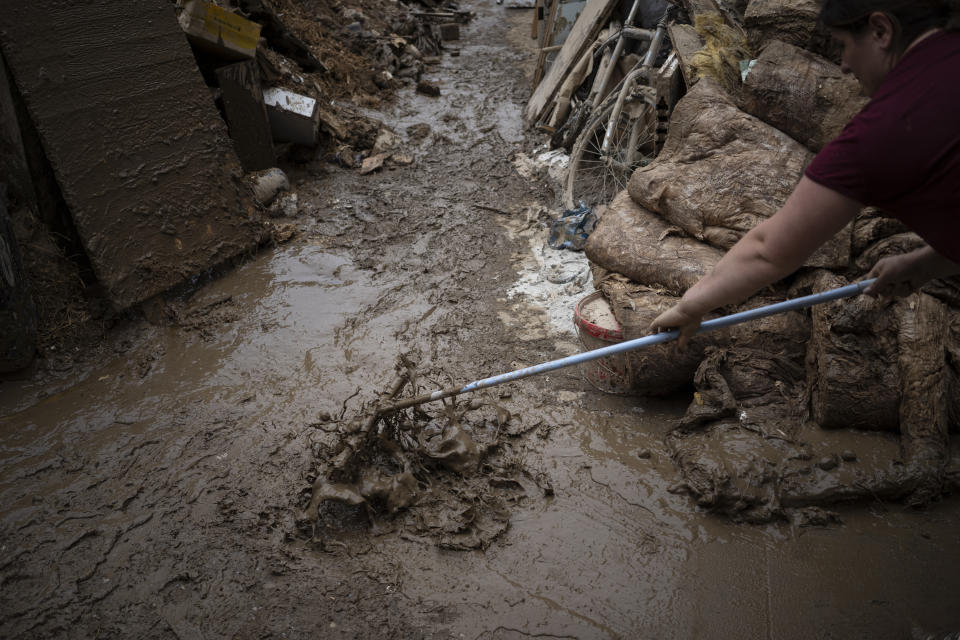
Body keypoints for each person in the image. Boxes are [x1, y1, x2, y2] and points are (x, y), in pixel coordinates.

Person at [649, 0, 960, 347]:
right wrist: (927, 264)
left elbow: (769, 250)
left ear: (881, 31)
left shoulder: (883, 132)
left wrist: (692, 304)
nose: (843, 66)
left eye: (843, 46)